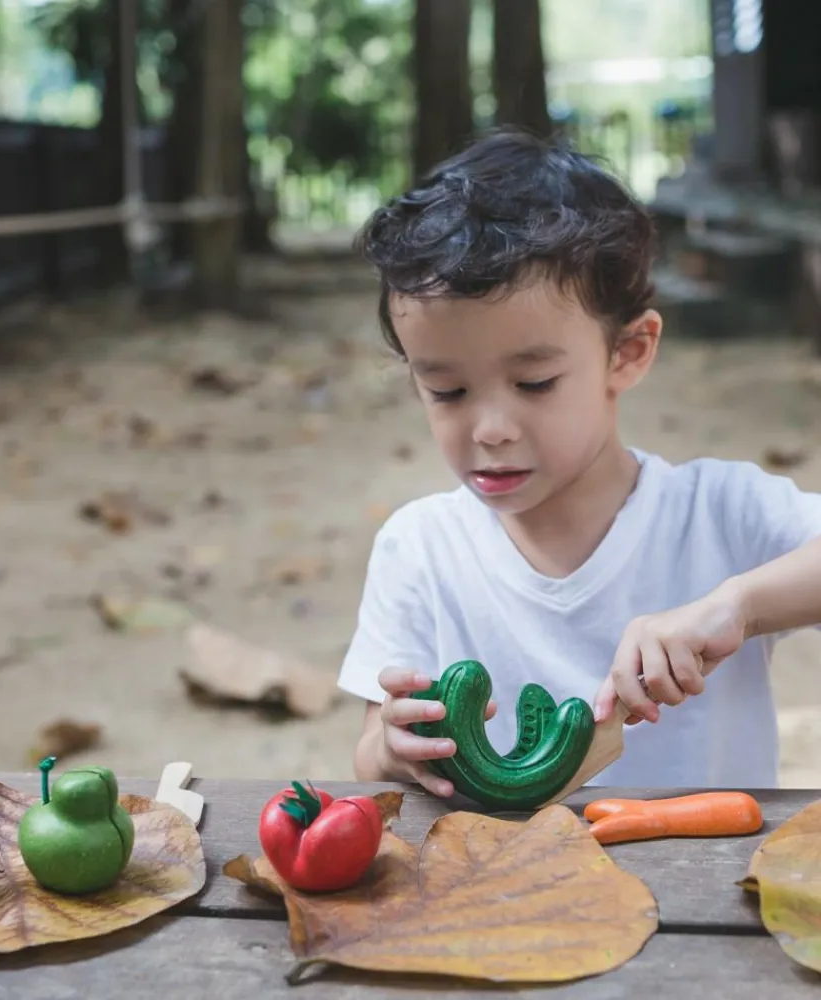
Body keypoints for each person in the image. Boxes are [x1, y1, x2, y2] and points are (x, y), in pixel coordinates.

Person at [337, 126, 821, 798]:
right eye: (445, 390)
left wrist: (737, 605)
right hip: (499, 890)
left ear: (628, 352)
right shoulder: (419, 549)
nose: (492, 430)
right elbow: (369, 753)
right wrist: (391, 748)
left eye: (534, 384)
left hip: (700, 891)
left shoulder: (719, 515)